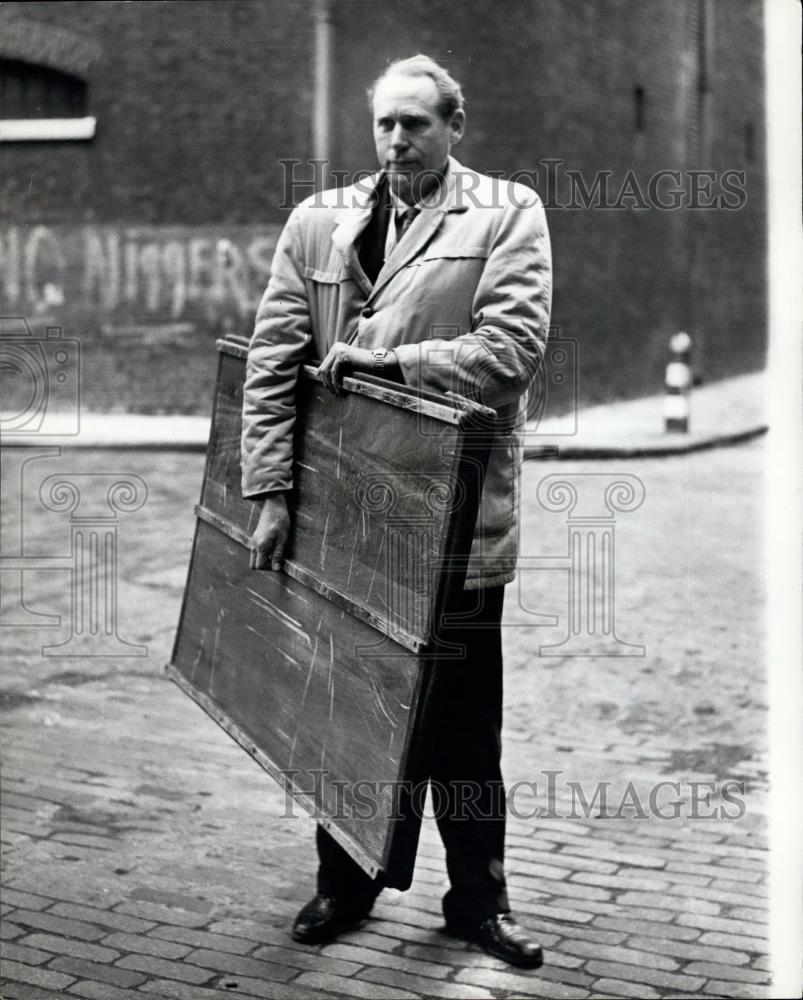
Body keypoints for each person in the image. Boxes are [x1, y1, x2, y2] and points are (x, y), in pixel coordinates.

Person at [241, 54, 552, 968]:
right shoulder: (318, 222)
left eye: (416, 123)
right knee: (343, 706)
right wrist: (266, 495)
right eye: (384, 123)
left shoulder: (507, 213)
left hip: (453, 520)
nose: (396, 140)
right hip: (344, 516)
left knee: (462, 724)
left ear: (455, 126)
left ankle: (477, 901)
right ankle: (344, 884)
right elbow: (270, 368)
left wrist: (386, 365)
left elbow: (510, 352)